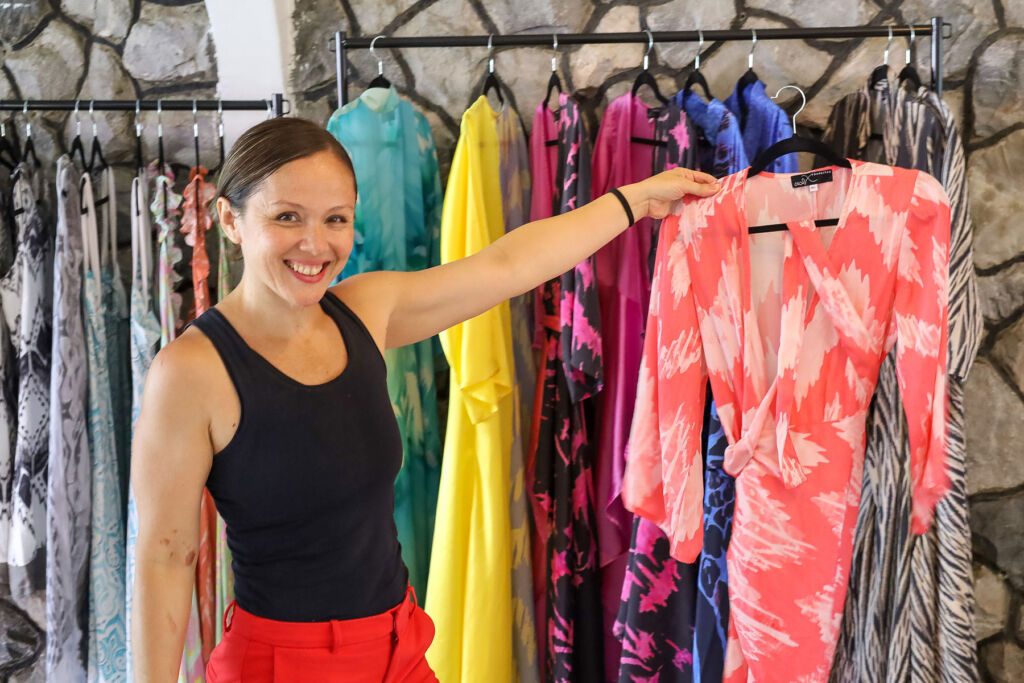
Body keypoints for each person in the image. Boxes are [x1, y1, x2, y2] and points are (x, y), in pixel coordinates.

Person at [130, 116, 720, 682]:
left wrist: (635, 200)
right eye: (287, 217)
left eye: (336, 219)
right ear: (229, 220)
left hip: (399, 646)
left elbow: (506, 265)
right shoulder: (191, 371)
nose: (315, 244)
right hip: (284, 663)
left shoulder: (365, 310)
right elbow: (165, 559)